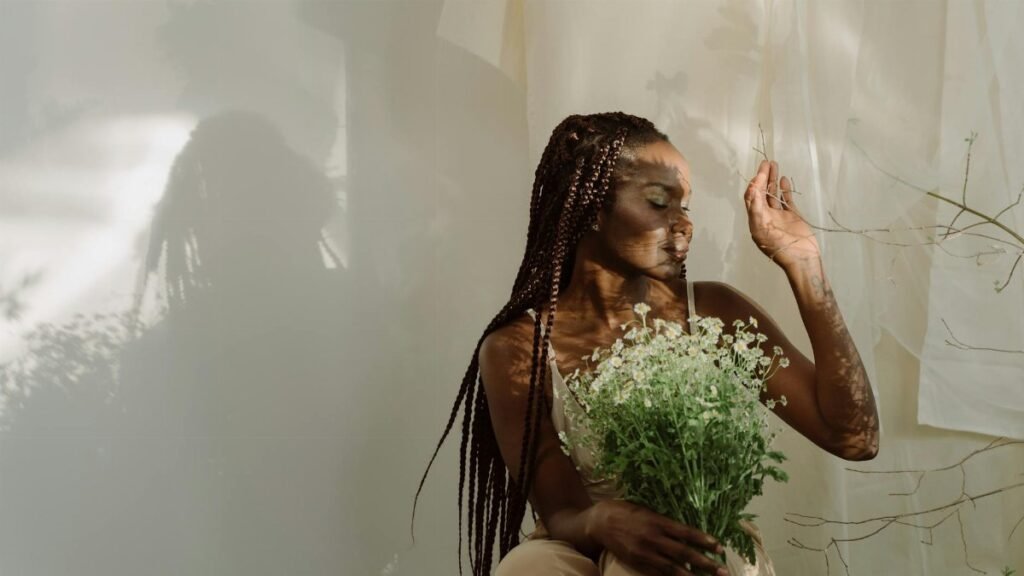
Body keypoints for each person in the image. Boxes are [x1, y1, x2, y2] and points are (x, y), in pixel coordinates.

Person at [413, 112, 879, 576]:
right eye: (660, 203)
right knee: (528, 569)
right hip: (585, 539)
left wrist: (804, 266)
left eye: (686, 207)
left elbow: (855, 439)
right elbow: (561, 510)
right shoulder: (516, 349)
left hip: (698, 537)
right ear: (592, 208)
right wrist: (602, 519)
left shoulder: (714, 314)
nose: (683, 225)